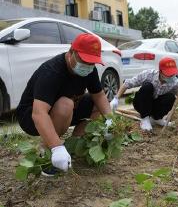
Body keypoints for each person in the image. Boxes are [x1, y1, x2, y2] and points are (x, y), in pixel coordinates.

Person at [16, 33, 112, 175]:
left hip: (65, 110)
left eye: (92, 62)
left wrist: (110, 120)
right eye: (84, 60)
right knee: (65, 104)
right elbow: (39, 113)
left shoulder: (90, 70)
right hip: (32, 116)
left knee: (96, 105)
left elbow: (99, 95)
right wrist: (56, 147)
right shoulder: (52, 71)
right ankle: (47, 151)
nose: (88, 66)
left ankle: (73, 145)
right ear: (71, 52)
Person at [110, 57, 178, 132]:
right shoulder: (148, 74)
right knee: (147, 87)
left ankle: (157, 118)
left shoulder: (175, 83)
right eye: (168, 74)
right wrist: (116, 98)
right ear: (160, 71)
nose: (171, 77)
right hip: (141, 104)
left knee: (170, 97)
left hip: (156, 106)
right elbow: (128, 83)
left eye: (172, 74)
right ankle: (145, 119)